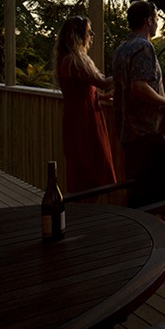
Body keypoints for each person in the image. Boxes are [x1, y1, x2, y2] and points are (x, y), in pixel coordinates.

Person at [112, 0, 165, 183]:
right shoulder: (144, 46)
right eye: (156, 18)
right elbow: (139, 87)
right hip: (144, 132)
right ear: (148, 21)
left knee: (135, 187)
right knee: (149, 190)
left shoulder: (121, 49)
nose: (158, 23)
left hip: (126, 131)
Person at [54, 15, 117, 195]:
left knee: (81, 166)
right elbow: (102, 82)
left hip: (76, 116)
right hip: (85, 120)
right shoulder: (75, 61)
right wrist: (123, 71)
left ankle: (84, 213)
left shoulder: (64, 59)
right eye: (89, 31)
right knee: (91, 167)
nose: (92, 34)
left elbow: (80, 91)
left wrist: (102, 97)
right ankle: (87, 215)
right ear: (79, 36)